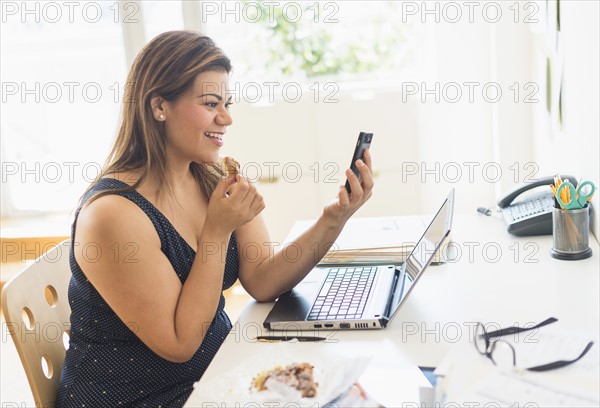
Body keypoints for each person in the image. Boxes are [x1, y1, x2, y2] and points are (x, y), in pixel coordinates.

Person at [57, 30, 373, 407]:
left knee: (353, 390)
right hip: (146, 398)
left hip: (215, 377)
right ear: (159, 106)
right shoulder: (113, 215)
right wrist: (217, 231)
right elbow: (179, 344)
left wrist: (335, 218)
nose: (226, 118)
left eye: (227, 103)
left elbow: (263, 280)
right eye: (210, 104)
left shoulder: (210, 177)